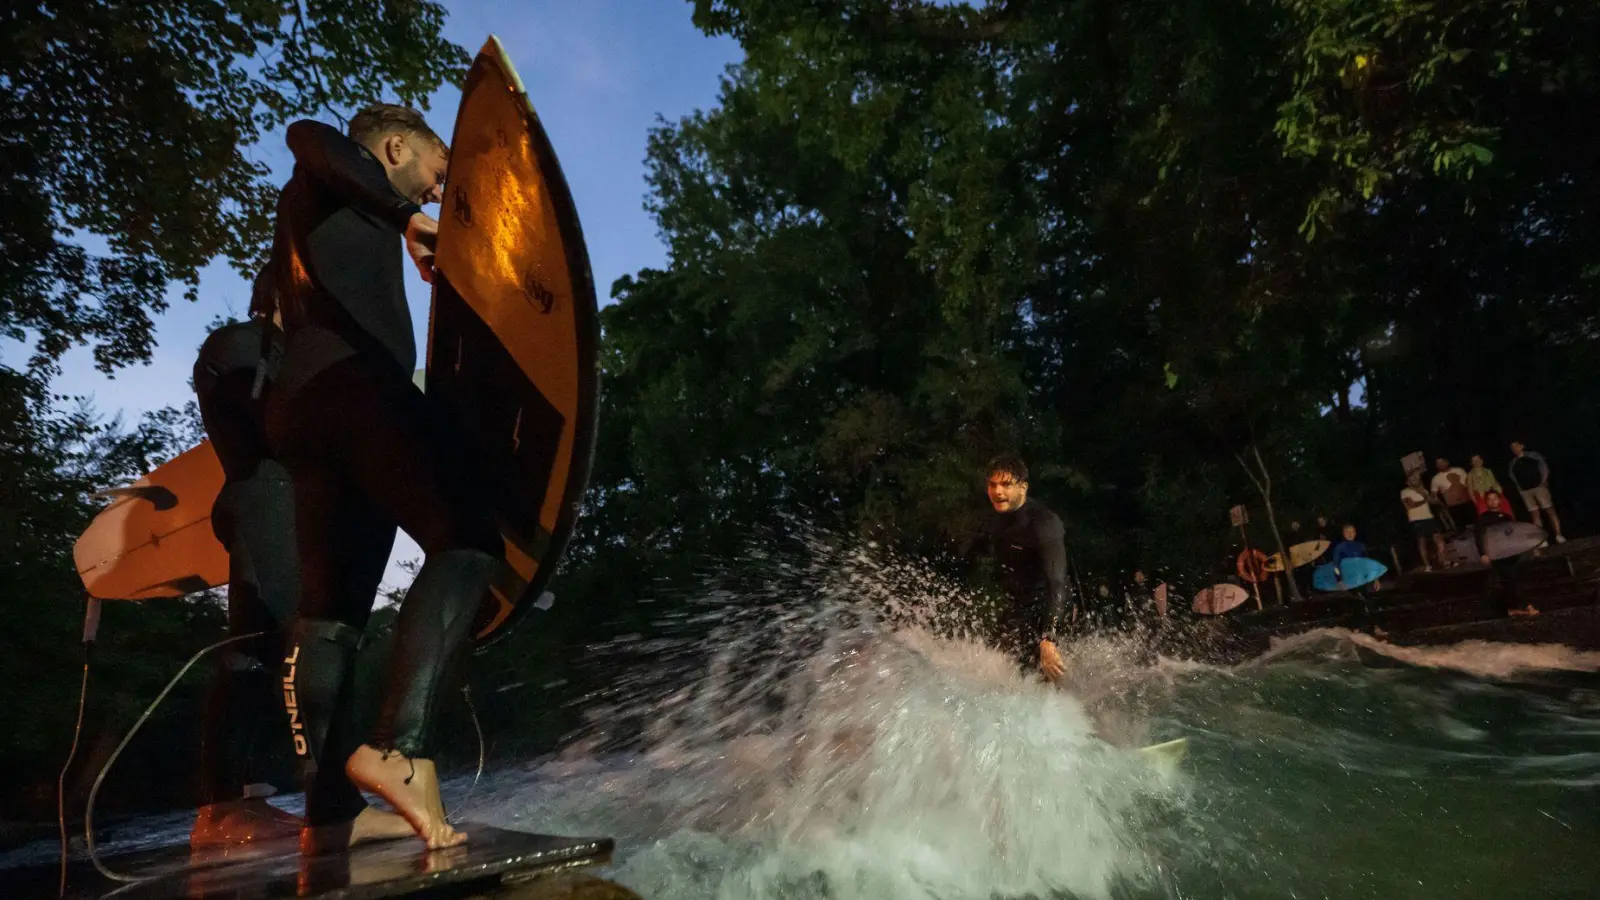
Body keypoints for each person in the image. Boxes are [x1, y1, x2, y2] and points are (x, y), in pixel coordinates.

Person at [261, 104, 506, 849]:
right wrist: (404, 215)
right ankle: (398, 747)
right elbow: (309, 135)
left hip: (304, 409)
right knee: (467, 538)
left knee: (330, 616)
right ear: (393, 147)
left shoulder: (311, 219)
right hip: (354, 387)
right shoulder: (333, 169)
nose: (439, 192)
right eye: (436, 172)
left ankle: (328, 814)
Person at [189, 277, 411, 851]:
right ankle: (333, 812)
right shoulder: (245, 344)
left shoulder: (277, 355)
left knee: (252, 649)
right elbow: (276, 412)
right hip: (268, 499)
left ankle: (222, 809)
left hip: (267, 500)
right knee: (308, 637)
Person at [975, 455, 1075, 681]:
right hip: (1020, 608)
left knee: (1041, 675)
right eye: (992, 484)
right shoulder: (997, 518)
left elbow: (1056, 582)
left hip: (1050, 609)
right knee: (995, 664)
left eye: (1006, 484)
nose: (997, 491)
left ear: (1023, 487)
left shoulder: (1044, 523)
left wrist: (1049, 637)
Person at [1476, 491, 1538, 616]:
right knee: (1510, 579)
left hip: (1511, 553)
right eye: (1489, 499)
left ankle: (1513, 608)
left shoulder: (1506, 517)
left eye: (1495, 498)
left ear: (1499, 500)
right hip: (1497, 554)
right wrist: (1483, 553)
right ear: (1486, 502)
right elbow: (1479, 537)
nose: (1493, 501)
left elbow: (1513, 535)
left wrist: (1528, 547)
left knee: (1512, 579)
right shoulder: (1483, 519)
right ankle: (1527, 606)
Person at [1509, 441, 1567, 544]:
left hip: (1539, 488)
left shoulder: (1533, 455)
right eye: (1512, 447)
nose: (1515, 448)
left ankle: (1558, 535)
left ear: (1522, 446)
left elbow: (1544, 468)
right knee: (1535, 515)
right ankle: (1542, 540)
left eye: (1516, 446)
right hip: (1526, 492)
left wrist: (1543, 482)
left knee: (1549, 511)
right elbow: (1513, 478)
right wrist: (1520, 489)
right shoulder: (1513, 463)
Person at [1401, 473, 1447, 571]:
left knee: (1439, 539)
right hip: (1417, 520)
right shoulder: (1405, 492)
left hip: (1429, 517)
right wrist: (1425, 499)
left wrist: (1433, 498)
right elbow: (1411, 505)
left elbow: (1432, 501)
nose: (1415, 480)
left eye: (1416, 478)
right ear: (1407, 482)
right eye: (1412, 479)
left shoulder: (1423, 490)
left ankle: (1443, 561)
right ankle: (1427, 566)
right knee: (1422, 543)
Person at [1430, 457, 1474, 532]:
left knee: (1472, 524)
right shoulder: (1435, 479)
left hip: (1467, 502)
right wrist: (1440, 506)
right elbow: (1434, 494)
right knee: (1461, 528)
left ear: (1447, 462)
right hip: (1453, 506)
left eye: (1442, 462)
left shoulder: (1459, 470)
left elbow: (1469, 483)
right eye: (1438, 463)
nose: (1441, 464)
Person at [1327, 524, 1376, 591]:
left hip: (1361, 579)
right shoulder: (1339, 547)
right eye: (1347, 532)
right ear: (1343, 534)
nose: (1350, 534)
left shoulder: (1360, 546)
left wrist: (1376, 579)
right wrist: (1339, 581)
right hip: (1347, 579)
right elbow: (1336, 565)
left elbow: (1368, 562)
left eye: (1352, 532)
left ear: (1355, 533)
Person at [1465, 454, 1508, 519]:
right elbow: (1470, 490)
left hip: (1493, 495)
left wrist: (1500, 492)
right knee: (1486, 515)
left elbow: (1494, 483)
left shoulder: (1488, 471)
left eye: (1478, 459)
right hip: (1481, 498)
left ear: (1482, 460)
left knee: (1504, 510)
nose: (1477, 462)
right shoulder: (1470, 475)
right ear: (1471, 463)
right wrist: (1476, 503)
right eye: (1474, 460)